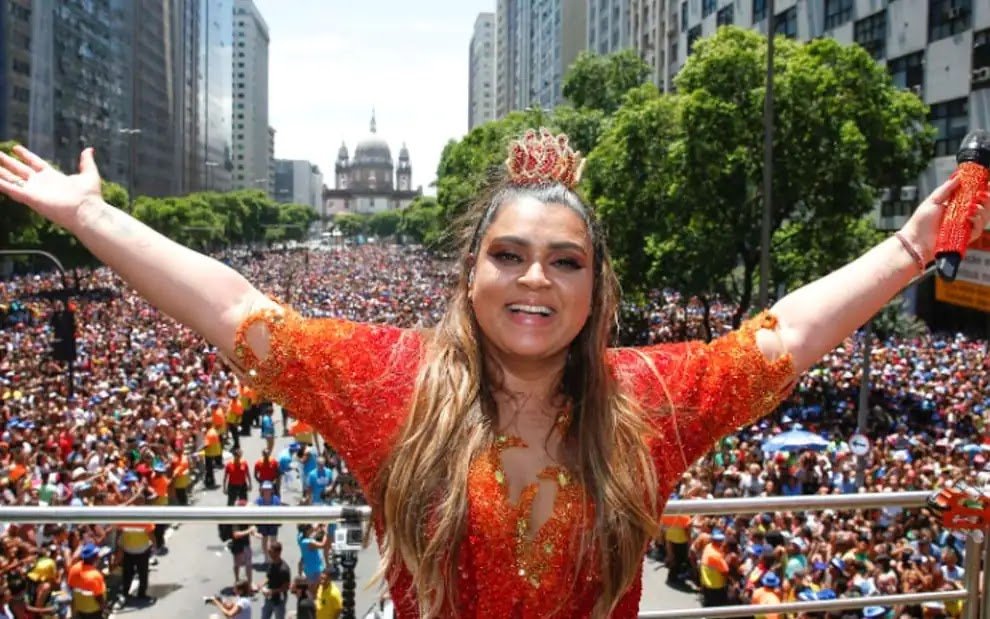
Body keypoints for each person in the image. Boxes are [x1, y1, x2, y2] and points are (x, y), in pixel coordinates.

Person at [2, 131, 987, 618]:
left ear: (598, 286)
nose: (534, 280)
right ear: (468, 271)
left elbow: (784, 338)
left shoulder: (650, 398)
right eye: (508, 253)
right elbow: (234, 312)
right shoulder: (387, 379)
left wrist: (911, 245)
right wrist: (92, 218)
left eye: (565, 259)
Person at [67, 543, 106, 619]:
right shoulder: (95, 575)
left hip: (79, 608)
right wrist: (104, 607)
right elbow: (98, 597)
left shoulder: (74, 568)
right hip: (93, 611)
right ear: (95, 558)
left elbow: (71, 587)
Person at [255, 481, 282, 558]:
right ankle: (266, 557)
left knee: (273, 541)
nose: (267, 491)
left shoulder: (276, 499)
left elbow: (280, 510)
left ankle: (273, 556)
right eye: (265, 489)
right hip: (263, 523)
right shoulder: (259, 500)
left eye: (268, 489)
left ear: (272, 490)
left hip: (273, 522)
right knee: (264, 540)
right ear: (262, 490)